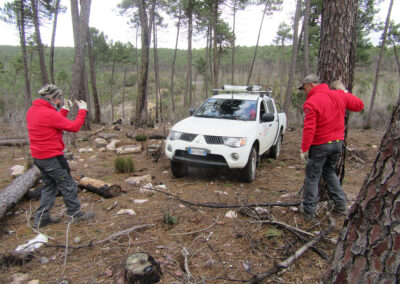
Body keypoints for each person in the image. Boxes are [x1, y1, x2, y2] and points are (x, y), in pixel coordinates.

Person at [26, 84, 94, 228]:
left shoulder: (33, 110)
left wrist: (65, 110)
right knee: (68, 184)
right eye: (58, 99)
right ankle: (76, 214)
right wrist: (82, 110)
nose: (59, 101)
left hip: (39, 158)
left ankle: (42, 218)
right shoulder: (48, 113)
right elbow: (73, 127)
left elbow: (53, 121)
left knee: (49, 185)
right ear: (52, 98)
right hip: (52, 158)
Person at [298, 74, 364, 220]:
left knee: (312, 177)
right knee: (329, 172)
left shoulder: (312, 102)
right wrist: (345, 92)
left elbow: (309, 128)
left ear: (311, 85)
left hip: (320, 145)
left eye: (304, 88)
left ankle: (308, 211)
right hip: (337, 144)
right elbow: (359, 105)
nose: (305, 92)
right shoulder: (339, 95)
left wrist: (304, 148)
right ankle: (341, 206)